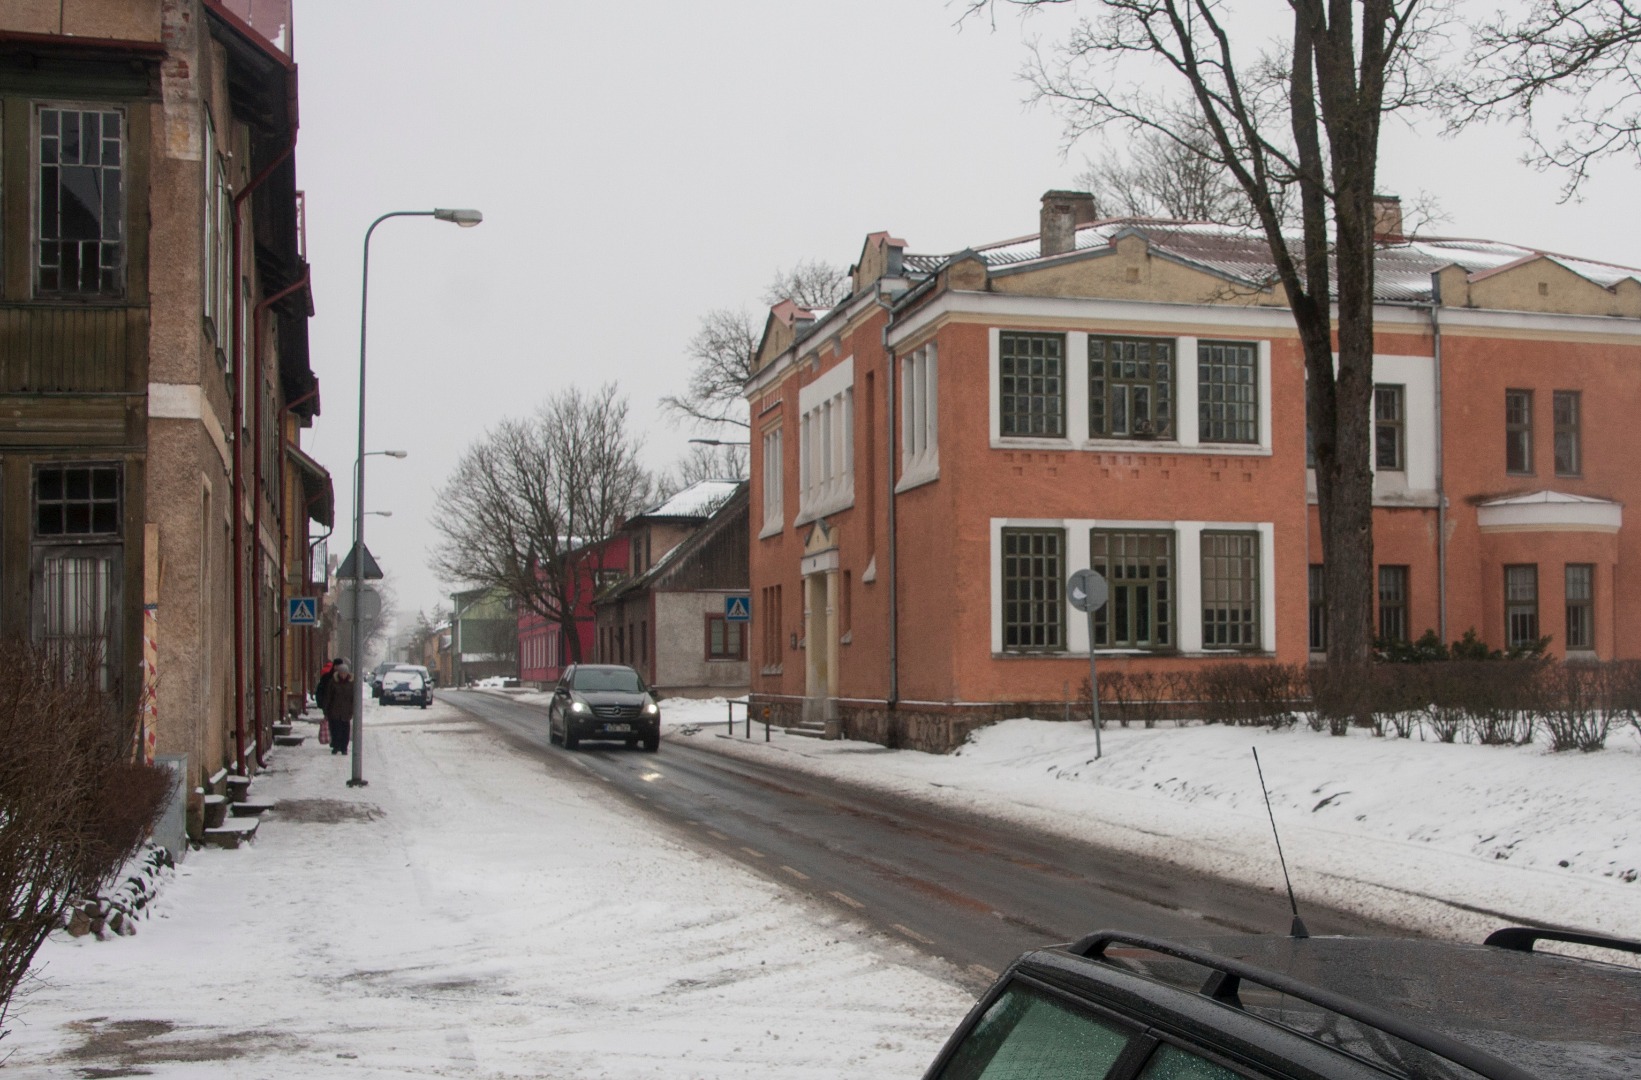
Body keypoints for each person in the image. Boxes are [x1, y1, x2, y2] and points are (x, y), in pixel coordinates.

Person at [321, 660, 357, 756]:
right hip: (334, 710)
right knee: (335, 729)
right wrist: (326, 710)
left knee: (345, 730)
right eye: (341, 673)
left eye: (345, 673)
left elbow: (354, 698)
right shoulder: (333, 682)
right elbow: (328, 696)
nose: (343, 675)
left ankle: (344, 747)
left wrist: (353, 710)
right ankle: (336, 746)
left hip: (346, 711)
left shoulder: (351, 683)